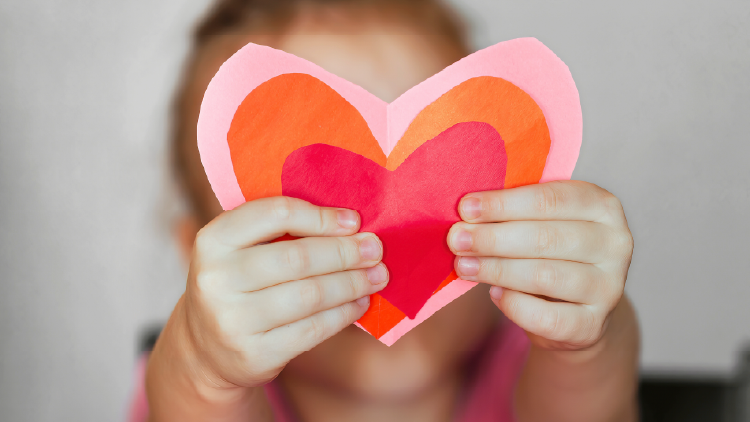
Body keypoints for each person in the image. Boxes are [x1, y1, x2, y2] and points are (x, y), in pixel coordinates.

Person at [138, 0, 640, 420]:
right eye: (311, 208)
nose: (382, 253)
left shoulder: (520, 361)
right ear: (200, 267)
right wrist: (202, 368)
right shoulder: (222, 386)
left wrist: (585, 342)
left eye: (439, 193)